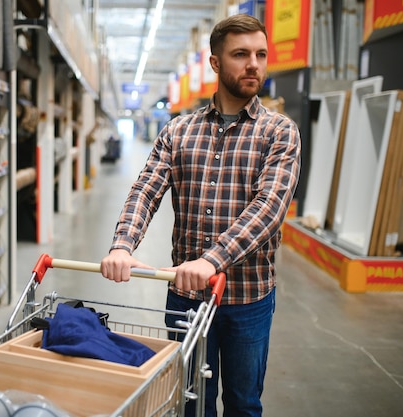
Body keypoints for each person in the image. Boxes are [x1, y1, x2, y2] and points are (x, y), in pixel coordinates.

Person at [100, 13, 301, 417]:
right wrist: (122, 246)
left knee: (243, 404)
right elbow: (145, 191)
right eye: (241, 54)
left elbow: (269, 209)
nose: (254, 65)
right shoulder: (178, 131)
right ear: (214, 63)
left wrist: (211, 260)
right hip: (186, 296)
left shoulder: (279, 132)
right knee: (192, 403)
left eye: (260, 54)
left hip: (248, 298)